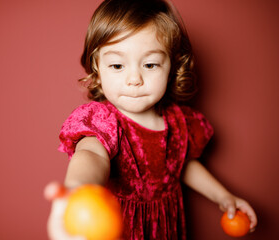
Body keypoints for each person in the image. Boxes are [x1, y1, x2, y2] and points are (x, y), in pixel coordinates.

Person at [45, 0, 258, 239]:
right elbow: (92, 155)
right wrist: (80, 190)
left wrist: (223, 196)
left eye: (150, 64)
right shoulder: (103, 122)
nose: (134, 78)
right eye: (117, 65)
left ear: (171, 67)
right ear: (97, 67)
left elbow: (181, 165)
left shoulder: (178, 121)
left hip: (167, 227)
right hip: (119, 228)